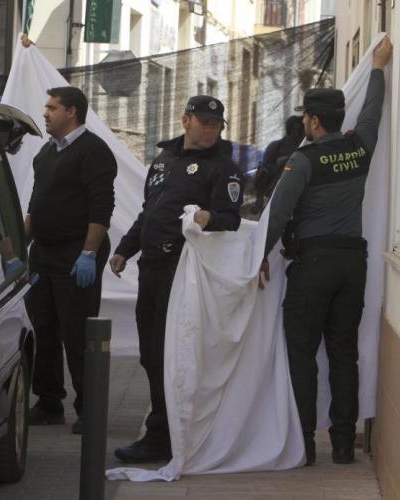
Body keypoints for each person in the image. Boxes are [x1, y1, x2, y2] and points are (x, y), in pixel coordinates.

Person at [260, 36, 393, 466]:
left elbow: (279, 213)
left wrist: (258, 256)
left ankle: (303, 443)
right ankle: (342, 445)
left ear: (315, 121)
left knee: (302, 353)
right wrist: (378, 68)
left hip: (313, 264)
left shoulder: (303, 160)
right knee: (343, 353)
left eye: (305, 117)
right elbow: (372, 111)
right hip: (353, 263)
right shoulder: (360, 147)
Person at [110, 95, 244, 463]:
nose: (211, 130)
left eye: (216, 125)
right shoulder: (164, 160)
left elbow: (231, 218)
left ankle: (164, 435)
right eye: (204, 122)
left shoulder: (223, 168)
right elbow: (148, 212)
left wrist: (209, 218)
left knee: (169, 353)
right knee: (151, 354)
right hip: (151, 267)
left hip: (183, 271)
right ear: (186, 121)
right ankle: (163, 429)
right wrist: (125, 249)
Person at [25, 86, 117, 434]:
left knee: (77, 332)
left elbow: (101, 207)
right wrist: (18, 247)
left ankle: (89, 408)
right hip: (44, 252)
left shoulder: (93, 151)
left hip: (76, 251)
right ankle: (49, 402)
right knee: (43, 328)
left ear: (72, 112)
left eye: (52, 108)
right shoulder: (47, 152)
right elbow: (36, 205)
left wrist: (89, 253)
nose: (45, 113)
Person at [254, 115, 304, 212]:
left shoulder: (304, 148)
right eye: (301, 129)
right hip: (275, 197)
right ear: (295, 131)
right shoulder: (276, 147)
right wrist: (259, 200)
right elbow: (262, 175)